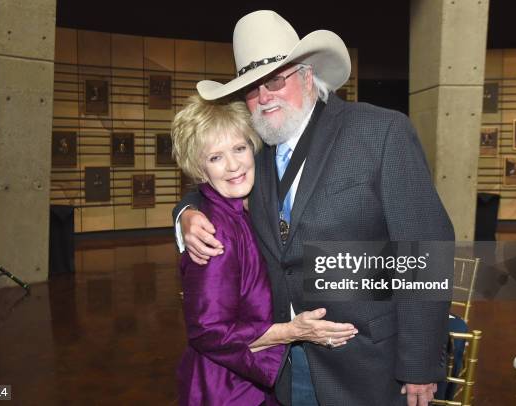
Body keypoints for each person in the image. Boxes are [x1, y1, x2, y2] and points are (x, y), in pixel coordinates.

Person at [173, 10, 455, 406]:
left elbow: (425, 251)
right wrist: (185, 214)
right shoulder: (256, 148)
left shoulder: (380, 132)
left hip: (369, 365)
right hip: (282, 366)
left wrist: (420, 365)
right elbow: (213, 183)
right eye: (252, 89)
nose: (264, 96)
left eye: (274, 80)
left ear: (307, 75)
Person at [172, 95, 357, 406]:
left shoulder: (245, 207)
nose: (233, 166)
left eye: (239, 149)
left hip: (251, 383)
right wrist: (291, 331)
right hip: (227, 391)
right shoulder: (214, 234)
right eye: (215, 157)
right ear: (200, 168)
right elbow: (208, 331)